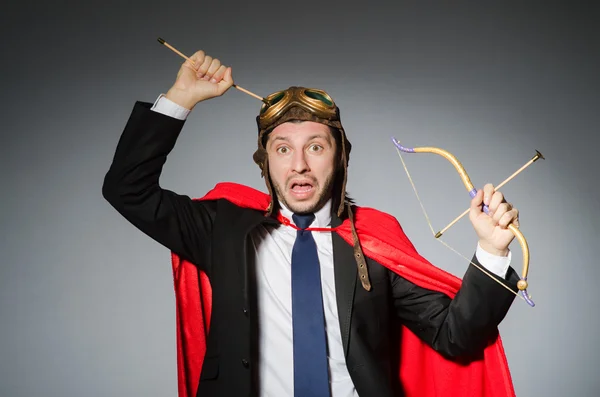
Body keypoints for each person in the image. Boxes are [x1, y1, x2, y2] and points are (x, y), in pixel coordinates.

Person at [102, 50, 522, 397]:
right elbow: (128, 190)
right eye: (283, 149)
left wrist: (493, 250)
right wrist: (181, 97)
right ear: (265, 163)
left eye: (315, 147)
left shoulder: (373, 241)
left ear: (339, 158)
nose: (299, 164)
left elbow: (456, 338)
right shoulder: (222, 228)